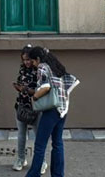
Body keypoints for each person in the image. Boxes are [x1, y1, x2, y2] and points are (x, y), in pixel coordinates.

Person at [26, 47, 79, 177]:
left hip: (52, 110)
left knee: (40, 145)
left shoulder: (42, 67)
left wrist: (35, 97)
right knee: (57, 143)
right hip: (63, 108)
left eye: (32, 61)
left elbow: (45, 87)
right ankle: (57, 174)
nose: (32, 64)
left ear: (38, 59)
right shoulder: (54, 66)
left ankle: (33, 174)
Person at [12, 45, 41, 173]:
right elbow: (20, 82)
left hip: (35, 107)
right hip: (21, 105)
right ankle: (20, 159)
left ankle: (41, 162)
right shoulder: (22, 69)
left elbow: (41, 89)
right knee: (21, 134)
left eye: (28, 59)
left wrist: (28, 90)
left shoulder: (39, 70)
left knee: (38, 135)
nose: (26, 62)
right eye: (24, 60)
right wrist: (19, 87)